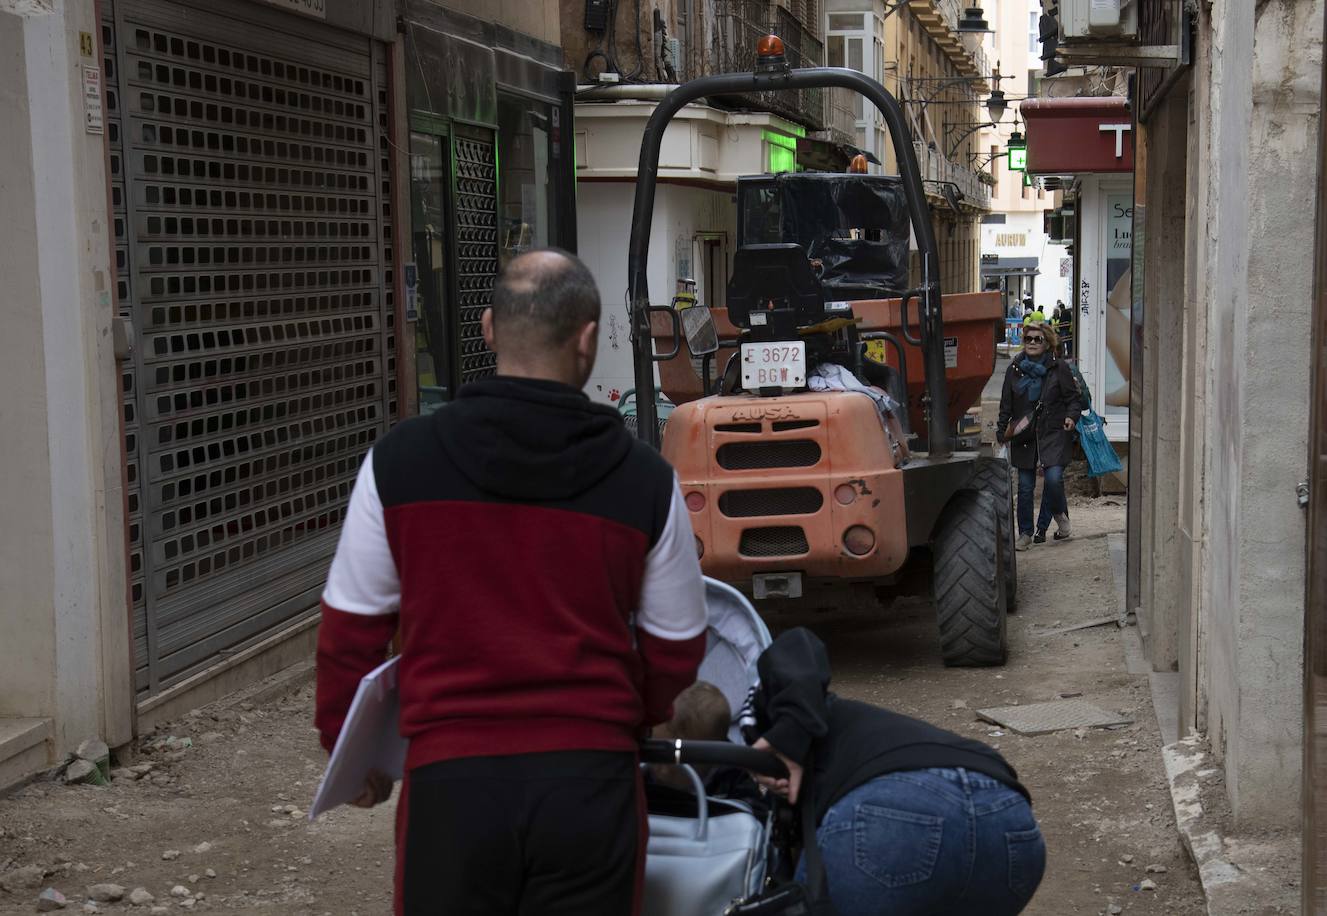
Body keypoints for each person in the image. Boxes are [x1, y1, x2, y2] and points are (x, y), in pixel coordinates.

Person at [314, 248, 709, 916]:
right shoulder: (644, 478)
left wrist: (348, 755)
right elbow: (678, 645)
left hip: (451, 786)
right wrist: (619, 715)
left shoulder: (399, 464)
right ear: (588, 339)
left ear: (490, 327)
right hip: (591, 788)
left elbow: (349, 632)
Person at [746, 628, 1045, 916]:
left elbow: (796, 643)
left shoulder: (789, 718)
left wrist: (788, 733)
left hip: (893, 815)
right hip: (1010, 823)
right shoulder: (845, 718)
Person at [996, 321, 1084, 549]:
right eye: (1028, 339)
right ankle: (1025, 533)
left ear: (1047, 343)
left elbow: (1074, 399)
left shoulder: (1059, 368)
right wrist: (1001, 429)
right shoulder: (1014, 369)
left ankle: (1057, 515)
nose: (1032, 343)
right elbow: (1006, 403)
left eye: (1037, 339)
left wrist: (1071, 417)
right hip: (1024, 435)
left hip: (1053, 432)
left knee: (1053, 479)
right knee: (1025, 487)